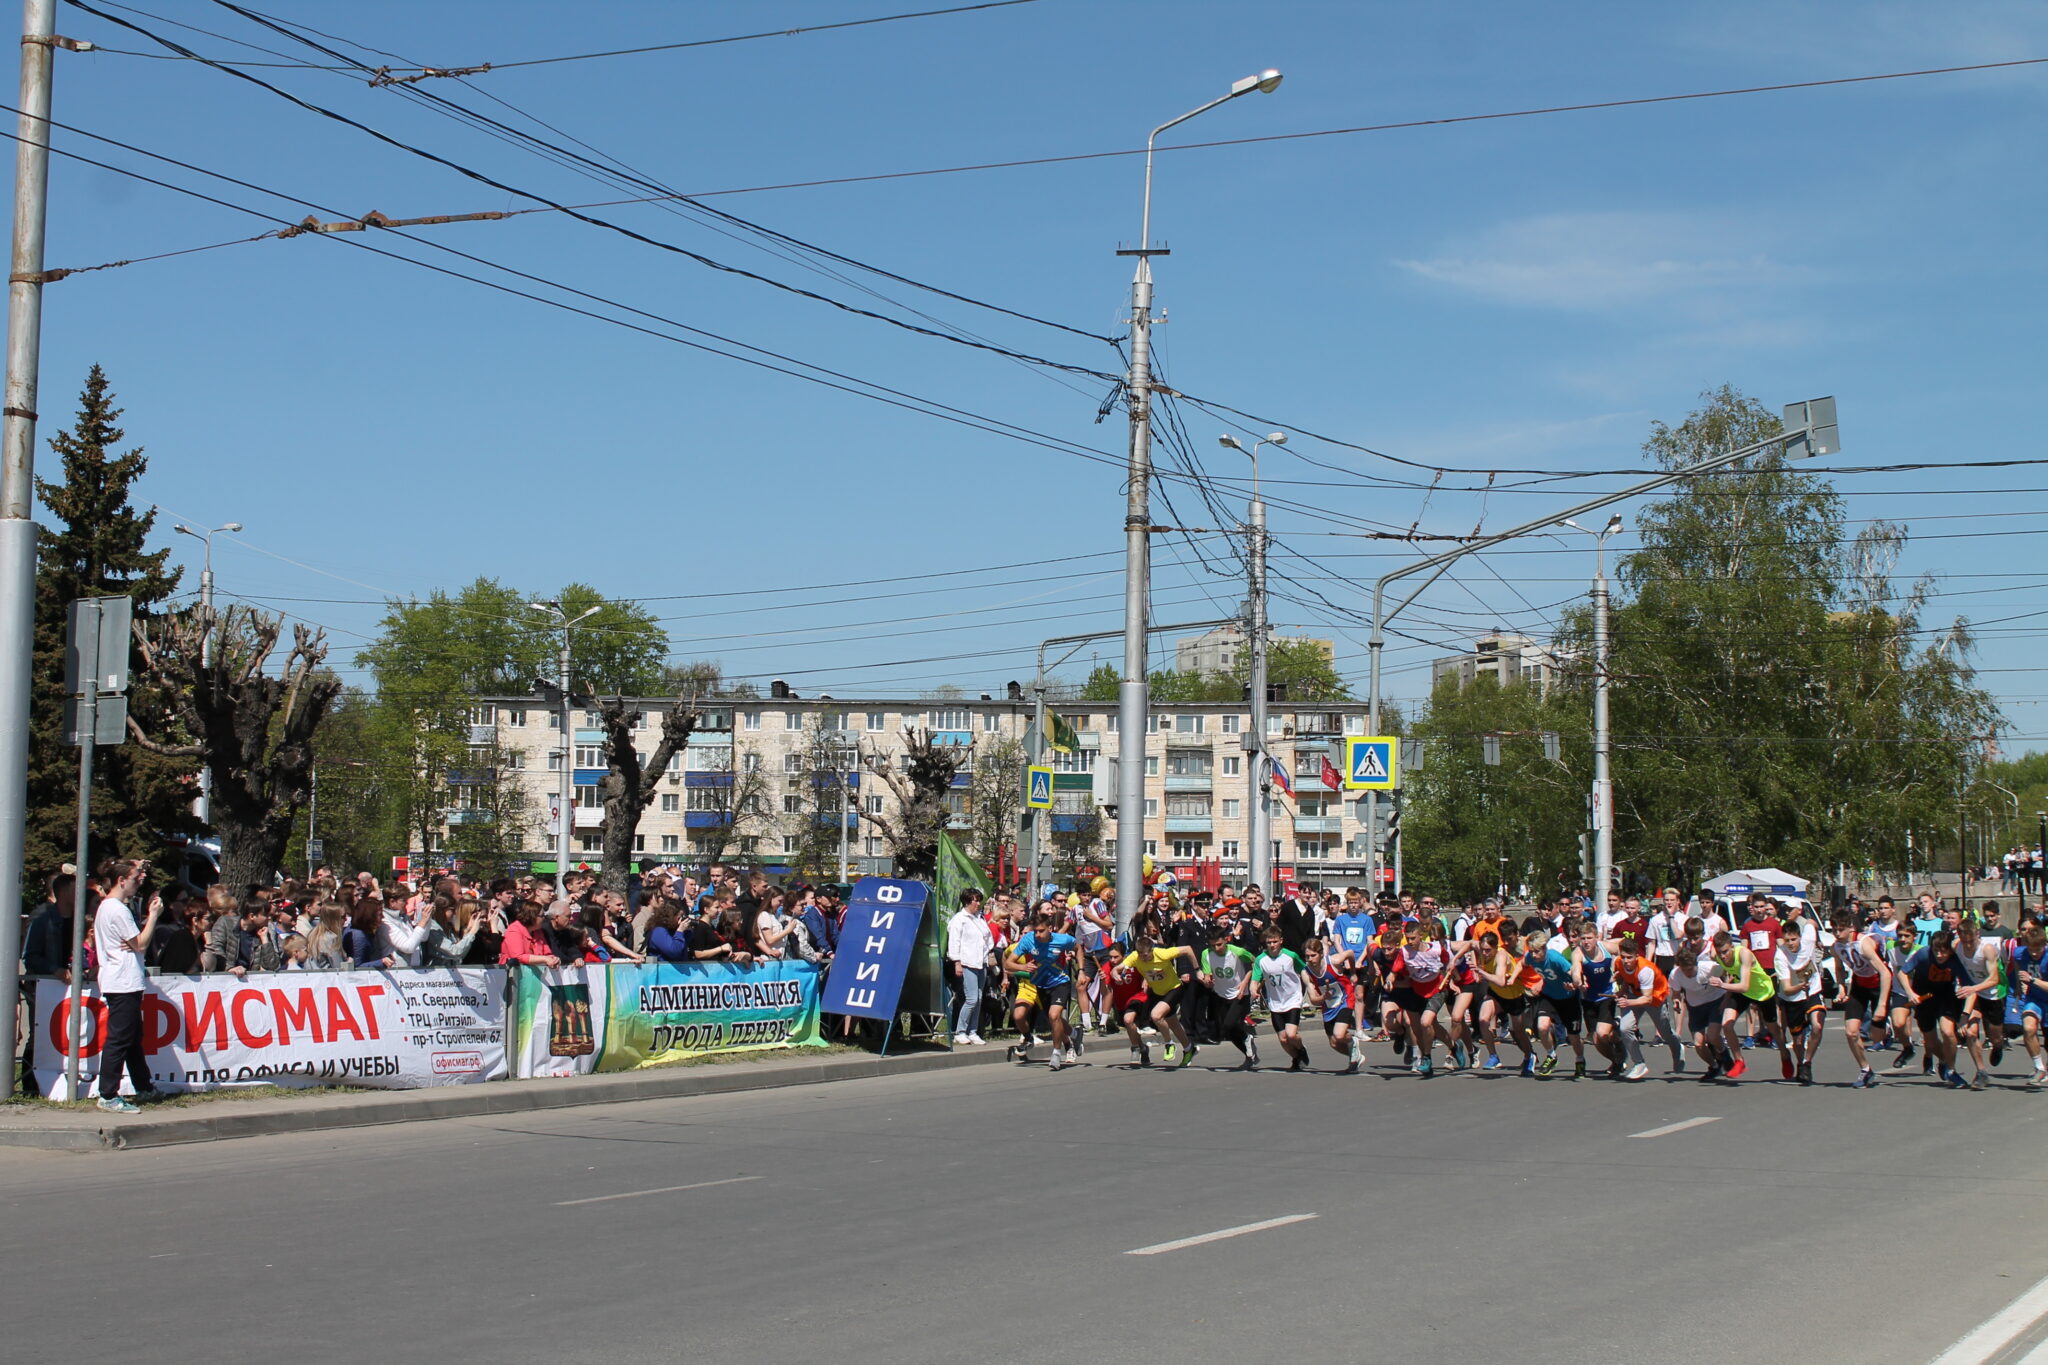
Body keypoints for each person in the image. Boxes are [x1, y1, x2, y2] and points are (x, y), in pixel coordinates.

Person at [89, 859, 165, 1114]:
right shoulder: (116, 909)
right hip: (121, 982)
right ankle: (108, 1094)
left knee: (132, 1037)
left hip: (123, 980)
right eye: (134, 879)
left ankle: (143, 1085)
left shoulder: (111, 908)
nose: (137, 883)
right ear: (122, 881)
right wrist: (153, 916)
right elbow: (141, 943)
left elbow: (134, 942)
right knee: (120, 1038)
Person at [1115, 912, 1195, 1069]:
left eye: (1146, 956)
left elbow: (1187, 949)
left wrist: (1197, 970)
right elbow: (1117, 968)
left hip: (1174, 989)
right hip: (1157, 992)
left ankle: (1169, 1044)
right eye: (1141, 957)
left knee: (1156, 1016)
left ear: (1152, 950)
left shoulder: (1162, 953)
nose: (1144, 959)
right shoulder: (1135, 957)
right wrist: (1115, 974)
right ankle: (1188, 1048)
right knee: (1172, 1022)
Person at [1005, 911, 1082, 1071]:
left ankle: (1056, 1053)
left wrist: (1081, 970)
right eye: (1035, 931)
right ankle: (1074, 1034)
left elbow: (1078, 947)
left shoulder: (1062, 939)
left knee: (1054, 1016)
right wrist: (1023, 967)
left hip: (1060, 982)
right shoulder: (1028, 941)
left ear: (1050, 928)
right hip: (1040, 984)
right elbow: (1008, 964)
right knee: (1053, 1019)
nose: (1038, 935)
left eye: (1041, 931)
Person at [1829, 908, 1892, 1089]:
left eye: (1840, 929)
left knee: (1876, 1037)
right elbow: (1839, 968)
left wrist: (1881, 1005)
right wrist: (1841, 988)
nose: (1837, 934)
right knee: (1851, 1032)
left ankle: (1887, 1030)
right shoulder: (1836, 946)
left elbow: (1885, 974)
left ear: (1850, 927)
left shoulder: (1863, 943)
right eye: (1833, 930)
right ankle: (1865, 1069)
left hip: (1878, 983)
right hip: (1859, 985)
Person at [1196, 921, 1260, 1069]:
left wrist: (1245, 982)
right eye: (1212, 945)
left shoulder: (1237, 952)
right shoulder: (1206, 954)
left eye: (1219, 944)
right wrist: (1207, 981)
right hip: (1221, 995)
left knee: (1230, 1024)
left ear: (1225, 940)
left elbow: (1255, 964)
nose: (1216, 948)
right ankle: (1250, 1055)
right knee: (1227, 1031)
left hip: (1239, 994)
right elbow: (1208, 975)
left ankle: (1248, 1037)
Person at [1250, 925, 1312, 1073]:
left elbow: (1304, 969)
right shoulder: (1261, 960)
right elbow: (1255, 979)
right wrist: (1253, 990)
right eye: (1269, 942)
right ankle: (1296, 1057)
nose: (1272, 945)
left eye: (1274, 942)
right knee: (1283, 1039)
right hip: (1275, 1002)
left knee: (1291, 1034)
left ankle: (1301, 1049)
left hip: (1292, 999)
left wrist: (1309, 985)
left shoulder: (1290, 956)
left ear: (1281, 941)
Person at [945, 889, 993, 1047]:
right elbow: (954, 942)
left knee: (978, 998)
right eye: (975, 900)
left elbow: (987, 938)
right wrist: (957, 962)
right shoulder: (959, 919)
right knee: (971, 998)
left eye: (979, 900)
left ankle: (973, 1031)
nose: (978, 904)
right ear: (967, 902)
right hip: (967, 963)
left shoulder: (979, 918)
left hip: (981, 962)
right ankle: (960, 1031)